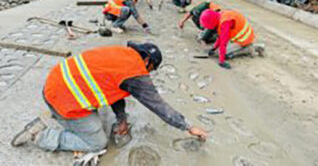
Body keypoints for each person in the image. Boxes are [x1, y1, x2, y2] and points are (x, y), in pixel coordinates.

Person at [11, 42, 208, 154]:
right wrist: (188, 126)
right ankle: (41, 135)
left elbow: (113, 91)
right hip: (63, 101)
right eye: (151, 69)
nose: (149, 74)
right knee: (97, 143)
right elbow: (159, 106)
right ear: (147, 61)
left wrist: (121, 119)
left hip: (53, 85)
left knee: (102, 112)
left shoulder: (122, 54)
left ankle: (58, 117)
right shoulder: (136, 72)